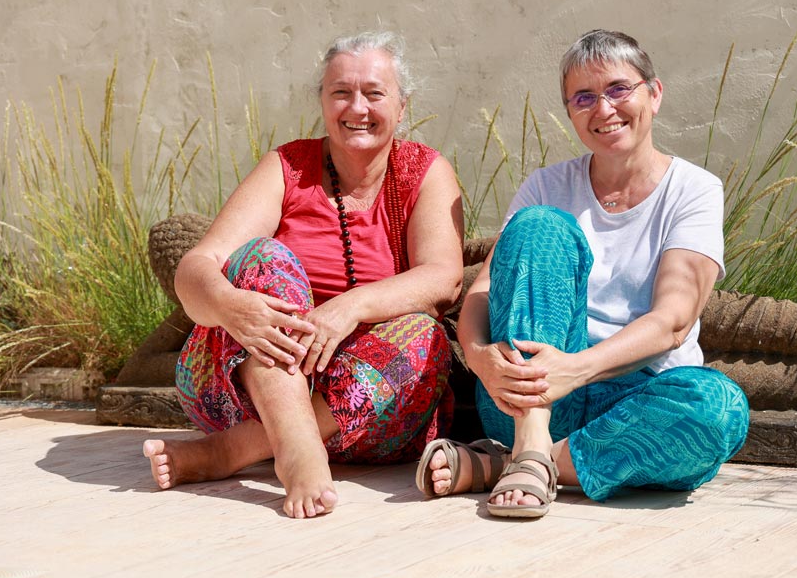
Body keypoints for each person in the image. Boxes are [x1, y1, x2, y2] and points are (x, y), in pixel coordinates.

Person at [416, 29, 749, 517]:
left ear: (654, 94)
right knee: (541, 227)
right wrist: (480, 356)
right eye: (584, 97)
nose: (604, 108)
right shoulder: (546, 186)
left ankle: (510, 465)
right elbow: (481, 294)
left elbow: (674, 322)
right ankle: (530, 442)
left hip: (639, 398)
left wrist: (574, 370)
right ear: (570, 112)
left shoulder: (694, 190)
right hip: (527, 398)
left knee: (720, 409)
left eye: (619, 89)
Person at [144, 31, 464, 518]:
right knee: (262, 258)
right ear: (322, 101)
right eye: (341, 92)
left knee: (426, 336)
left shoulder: (424, 171)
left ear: (402, 106)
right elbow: (195, 268)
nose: (357, 107)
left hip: (364, 411)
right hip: (239, 389)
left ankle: (237, 451)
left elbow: (444, 279)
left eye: (374, 93)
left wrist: (349, 307)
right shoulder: (287, 166)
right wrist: (231, 307)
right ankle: (296, 448)